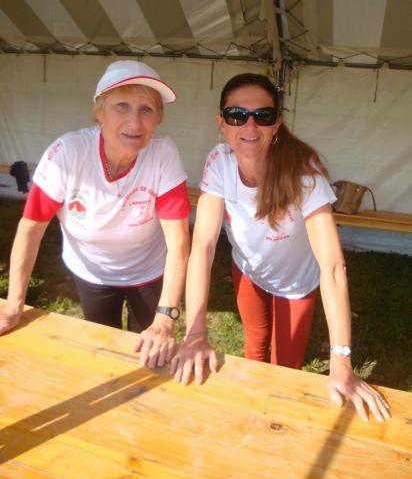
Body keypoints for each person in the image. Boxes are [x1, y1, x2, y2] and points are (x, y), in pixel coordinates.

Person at [171, 72, 390, 423]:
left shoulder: (305, 174)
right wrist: (195, 333)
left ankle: (279, 423)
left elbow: (333, 267)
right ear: (221, 124)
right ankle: (254, 418)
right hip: (248, 272)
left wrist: (341, 362)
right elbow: (204, 247)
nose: (250, 125)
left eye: (264, 116)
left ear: (277, 125)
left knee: (287, 367)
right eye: (237, 115)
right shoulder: (218, 161)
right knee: (255, 347)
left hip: (295, 285)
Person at [0, 60, 190, 368]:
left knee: (150, 356)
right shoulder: (68, 153)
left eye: (147, 109)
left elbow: (179, 243)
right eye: (122, 106)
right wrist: (14, 304)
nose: (135, 122)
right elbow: (31, 227)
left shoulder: (163, 152)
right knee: (103, 350)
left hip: (148, 272)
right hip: (92, 272)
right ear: (99, 111)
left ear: (158, 119)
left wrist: (165, 319)